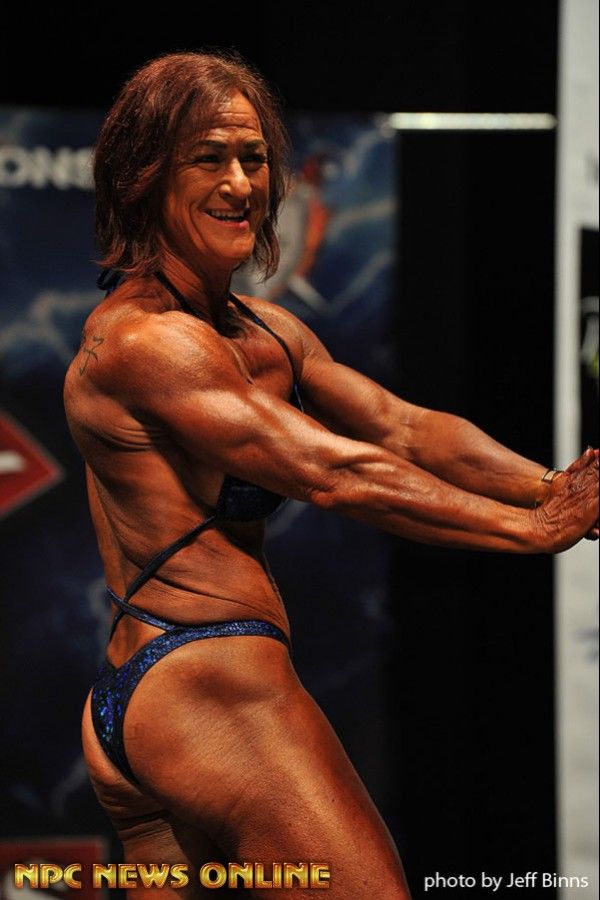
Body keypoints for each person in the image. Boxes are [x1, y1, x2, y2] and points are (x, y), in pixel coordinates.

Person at [63, 50, 598, 900]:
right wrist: (529, 531)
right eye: (209, 158)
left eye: (254, 158)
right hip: (207, 687)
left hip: (156, 701)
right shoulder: (146, 343)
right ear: (145, 175)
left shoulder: (266, 332)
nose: (241, 183)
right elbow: (334, 472)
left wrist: (551, 487)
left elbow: (403, 426)